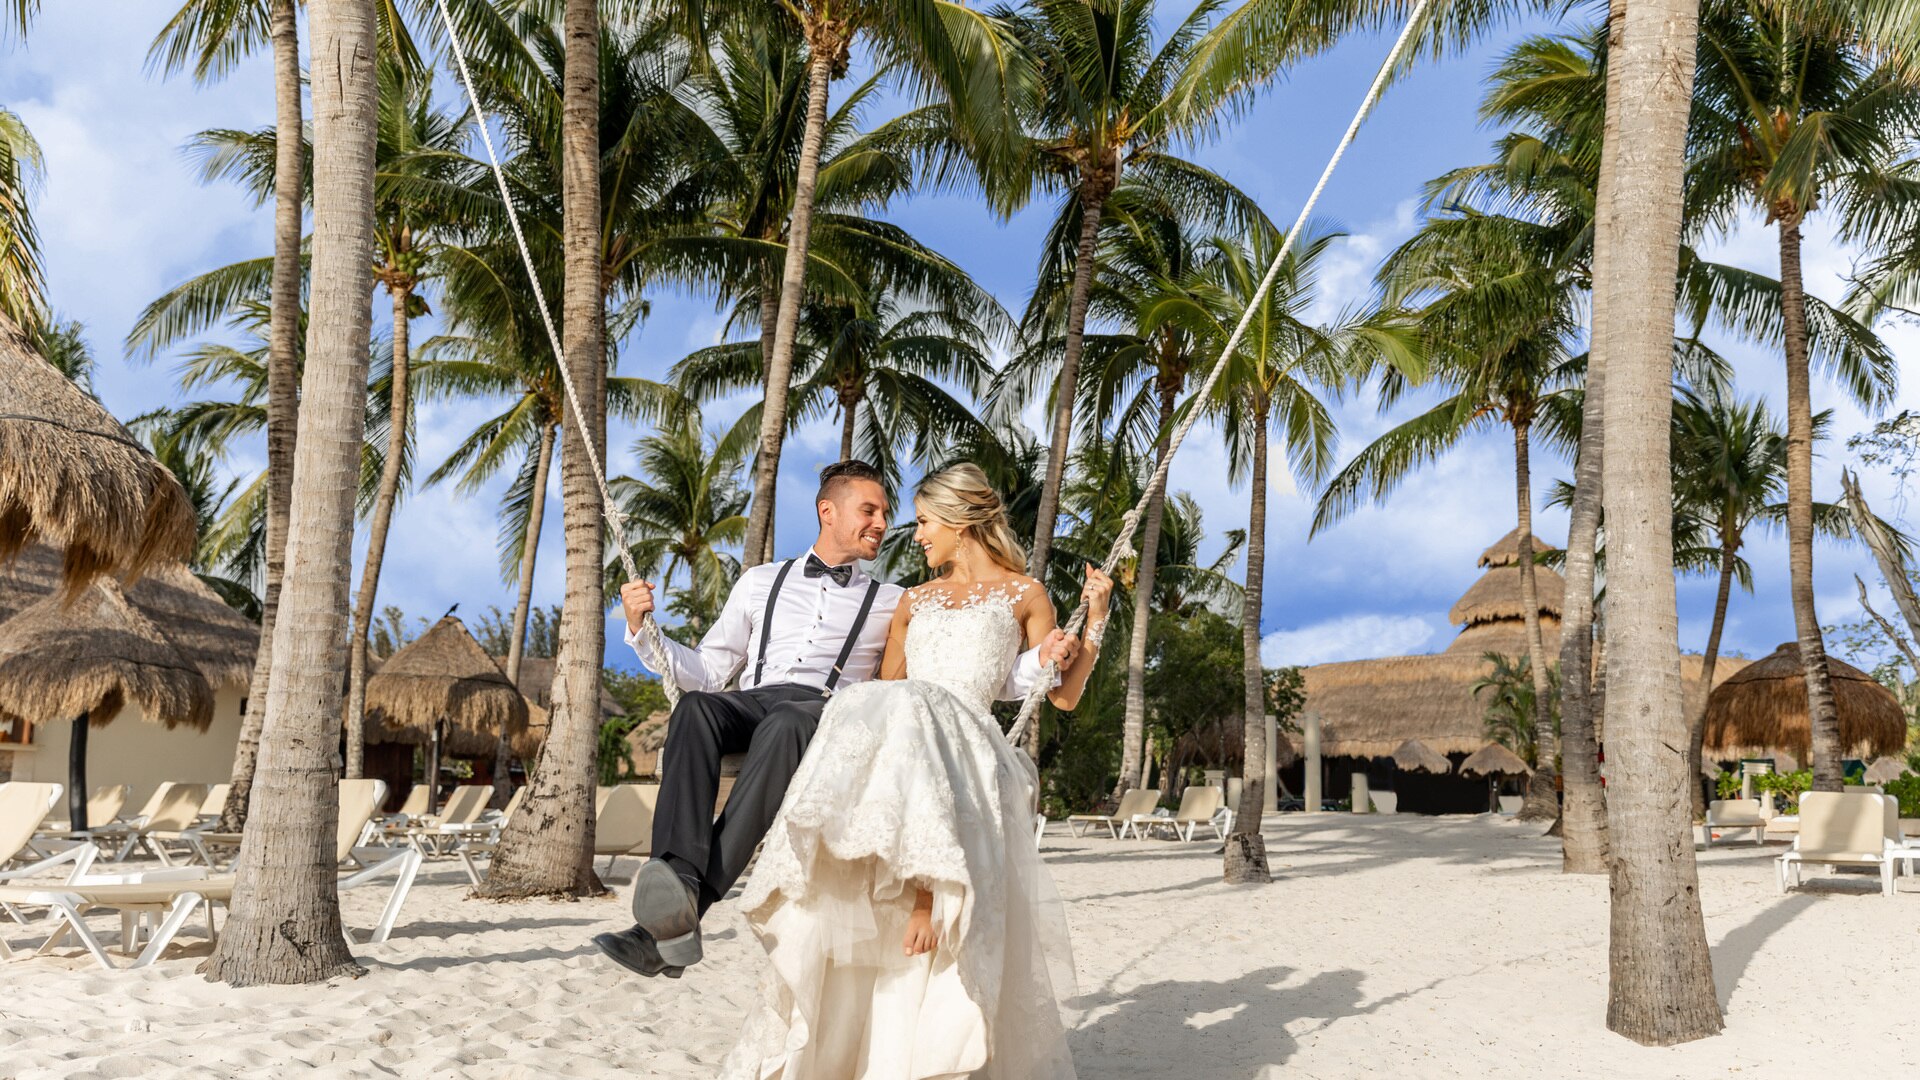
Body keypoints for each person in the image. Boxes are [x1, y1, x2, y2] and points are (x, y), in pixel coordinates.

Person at [592, 460, 1080, 980]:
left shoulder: (893, 600)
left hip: (826, 711)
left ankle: (678, 918)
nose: (882, 524)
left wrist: (1042, 659)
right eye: (869, 511)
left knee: (787, 722)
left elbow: (955, 670)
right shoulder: (759, 582)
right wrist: (644, 631)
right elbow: (707, 672)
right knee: (695, 709)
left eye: (886, 513)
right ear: (828, 511)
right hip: (753, 699)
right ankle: (678, 890)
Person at [720, 463, 1111, 1079]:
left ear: (961, 522)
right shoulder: (912, 600)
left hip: (971, 746)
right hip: (911, 750)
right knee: (893, 706)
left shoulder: (1025, 594)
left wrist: (1091, 625)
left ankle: (928, 898)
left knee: (920, 710)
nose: (917, 534)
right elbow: (885, 692)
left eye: (926, 522)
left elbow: (1060, 695)